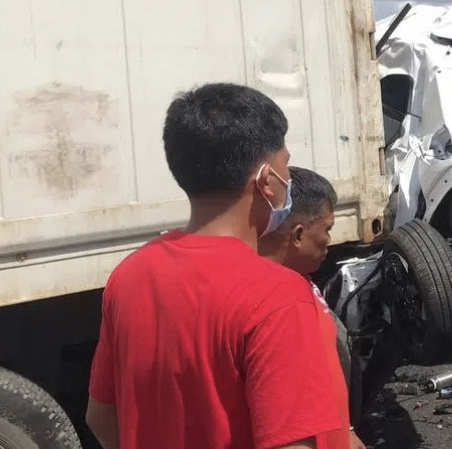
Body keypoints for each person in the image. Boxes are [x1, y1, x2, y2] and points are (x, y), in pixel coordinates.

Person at [86, 83, 342, 449]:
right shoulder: (278, 296)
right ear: (266, 181)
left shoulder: (129, 276)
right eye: (285, 165)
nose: (289, 180)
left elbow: (101, 416)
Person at [259, 166, 367, 449]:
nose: (330, 241)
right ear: (297, 235)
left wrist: (346, 429)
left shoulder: (302, 281)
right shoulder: (276, 307)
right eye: (327, 229)